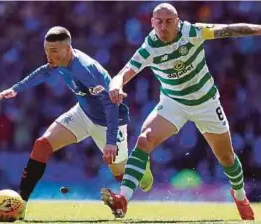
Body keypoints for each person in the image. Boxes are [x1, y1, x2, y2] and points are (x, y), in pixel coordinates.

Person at [100, 3, 261, 220]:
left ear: (177, 21)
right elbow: (124, 73)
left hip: (206, 103)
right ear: (152, 23)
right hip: (174, 103)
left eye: (169, 21)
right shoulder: (149, 47)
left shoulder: (193, 32)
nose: (164, 26)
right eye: (159, 22)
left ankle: (240, 196)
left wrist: (258, 29)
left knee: (226, 157)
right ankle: (123, 199)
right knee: (145, 139)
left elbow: (230, 29)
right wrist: (116, 85)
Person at [0, 26, 154, 220]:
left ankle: (140, 168)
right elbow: (44, 72)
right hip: (83, 113)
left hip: (109, 122)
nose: (48, 55)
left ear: (68, 49)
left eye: (53, 50)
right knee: (42, 144)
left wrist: (110, 141)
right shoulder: (59, 60)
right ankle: (23, 202)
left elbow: (111, 105)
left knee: (119, 175)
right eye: (46, 49)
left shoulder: (84, 69)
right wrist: (16, 88)